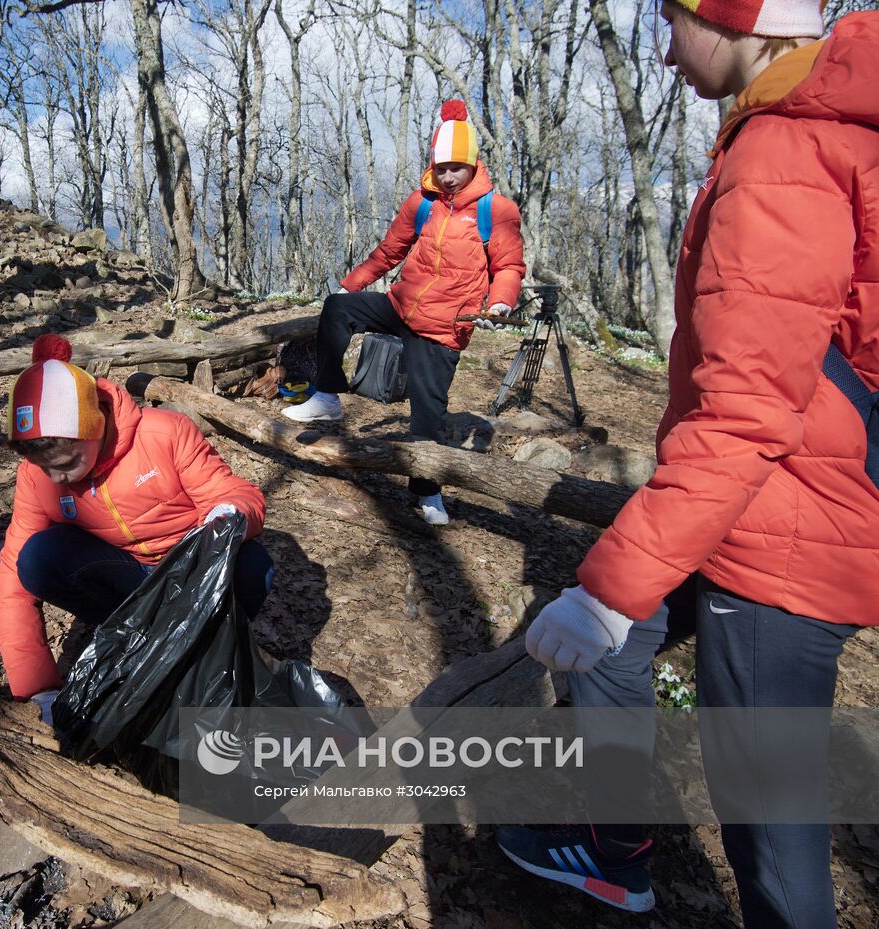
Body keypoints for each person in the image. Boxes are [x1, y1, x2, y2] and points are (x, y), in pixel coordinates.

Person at [498, 3, 878, 924]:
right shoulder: (808, 130)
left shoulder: (785, 155)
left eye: (676, 21)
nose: (663, 49)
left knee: (772, 843)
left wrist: (609, 590)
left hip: (786, 533)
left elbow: (745, 415)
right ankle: (616, 848)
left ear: (736, 19)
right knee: (609, 657)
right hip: (752, 502)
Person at [0, 335, 273, 721]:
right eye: (46, 467)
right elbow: (13, 586)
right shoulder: (36, 477)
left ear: (96, 425)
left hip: (189, 569)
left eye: (69, 461)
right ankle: (146, 637)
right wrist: (38, 689)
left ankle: (201, 641)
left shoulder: (164, 433)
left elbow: (231, 492)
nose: (57, 477)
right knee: (38, 557)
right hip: (126, 578)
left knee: (253, 564)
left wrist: (229, 514)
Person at [282, 100, 525, 526]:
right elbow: (390, 250)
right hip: (401, 305)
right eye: (441, 166)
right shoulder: (423, 202)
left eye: (456, 167)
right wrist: (350, 284)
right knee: (339, 308)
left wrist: (501, 301)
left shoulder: (495, 211)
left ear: (472, 165)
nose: (448, 175)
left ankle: (427, 492)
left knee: (427, 414)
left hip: (443, 328)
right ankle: (326, 395)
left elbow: (509, 266)